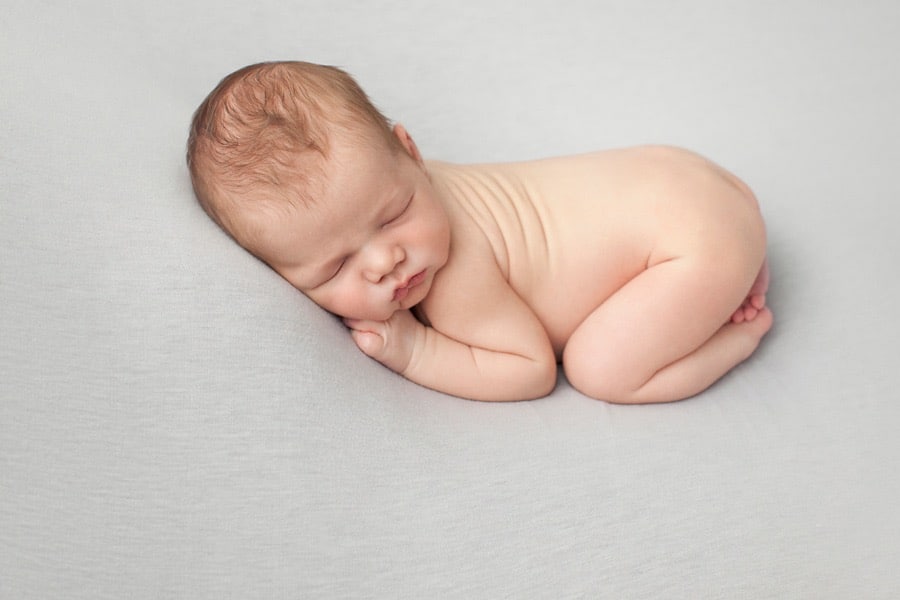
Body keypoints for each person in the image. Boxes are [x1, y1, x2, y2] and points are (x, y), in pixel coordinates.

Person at [187, 61, 772, 403]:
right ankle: (739, 257)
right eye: (335, 268)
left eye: (393, 216)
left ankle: (737, 331)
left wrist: (416, 350)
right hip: (687, 177)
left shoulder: (453, 275)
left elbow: (531, 369)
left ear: (409, 152)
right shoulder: (394, 185)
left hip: (692, 244)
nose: (387, 261)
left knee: (601, 370)